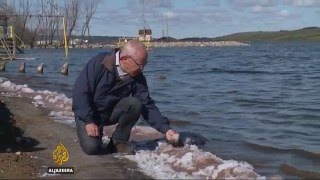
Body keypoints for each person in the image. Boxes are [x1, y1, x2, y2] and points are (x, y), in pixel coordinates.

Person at [72, 40, 178, 155]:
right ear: (125, 59)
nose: (142, 69)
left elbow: (147, 104)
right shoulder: (99, 62)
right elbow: (80, 92)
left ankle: (118, 141)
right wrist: (89, 121)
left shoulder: (137, 77)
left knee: (135, 103)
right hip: (89, 114)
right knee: (92, 149)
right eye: (140, 65)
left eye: (144, 65)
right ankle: (94, 130)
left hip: (110, 113)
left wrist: (166, 129)